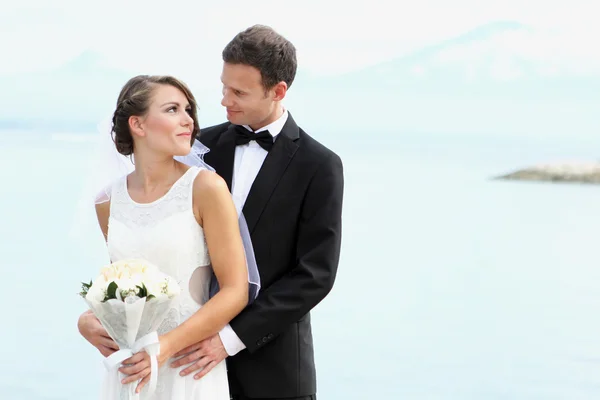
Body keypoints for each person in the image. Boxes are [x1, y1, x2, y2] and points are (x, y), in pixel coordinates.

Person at [169, 25, 345, 400]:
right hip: (186, 360)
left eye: (239, 92)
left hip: (274, 371)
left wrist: (229, 339)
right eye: (223, 87)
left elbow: (315, 275)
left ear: (278, 91)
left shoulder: (320, 165)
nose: (224, 100)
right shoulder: (199, 148)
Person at [77, 74, 254, 399]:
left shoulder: (206, 189)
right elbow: (122, 288)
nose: (188, 120)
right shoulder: (107, 202)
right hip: (131, 369)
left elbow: (235, 290)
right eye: (173, 109)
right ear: (138, 125)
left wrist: (165, 347)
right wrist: (88, 322)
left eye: (189, 110)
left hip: (187, 365)